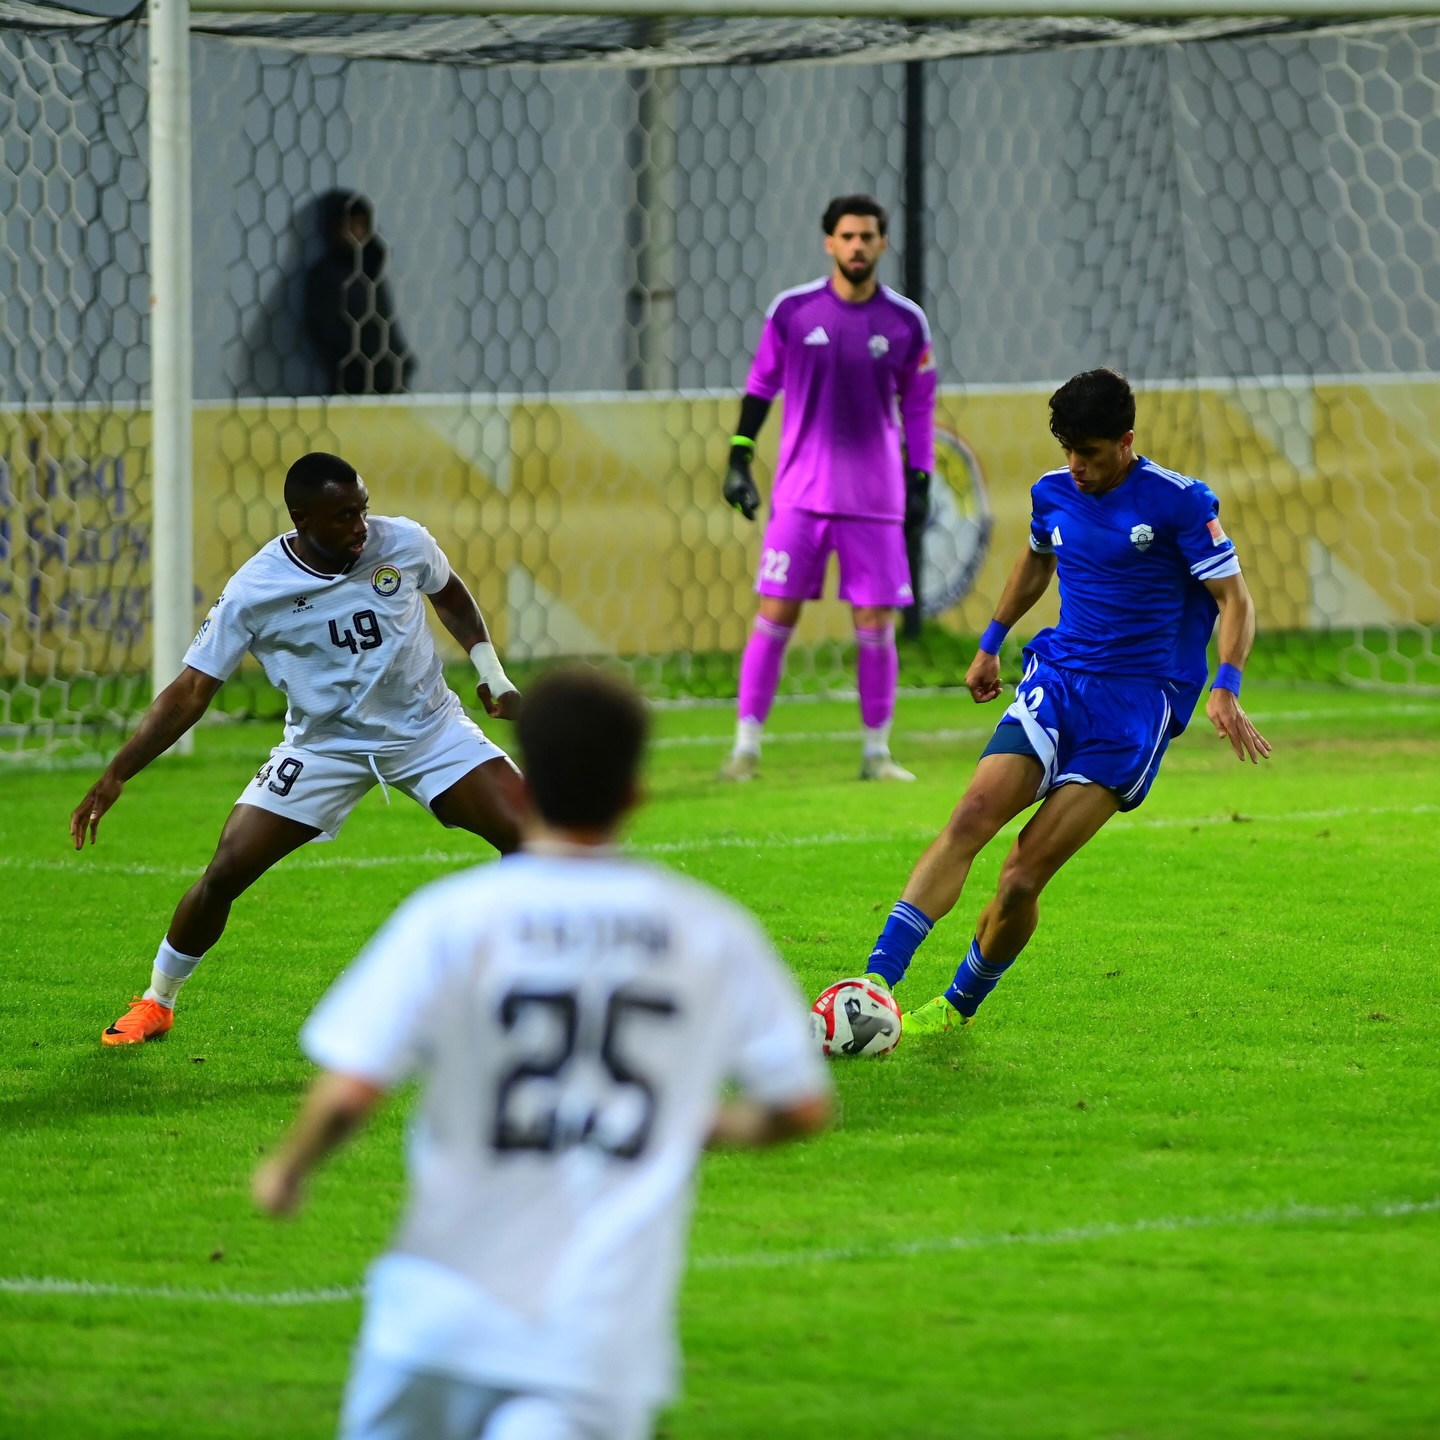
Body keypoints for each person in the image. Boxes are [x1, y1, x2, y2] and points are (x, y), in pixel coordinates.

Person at [253, 666, 832, 1440]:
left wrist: (288, 1169)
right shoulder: (707, 930)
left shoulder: (453, 918)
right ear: (635, 795)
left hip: (435, 1320)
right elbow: (800, 1106)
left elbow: (352, 1090)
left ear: (522, 790)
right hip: (588, 1343)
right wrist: (691, 1122)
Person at [856, 369, 1272, 1034]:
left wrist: (1226, 684)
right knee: (971, 816)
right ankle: (874, 982)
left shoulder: (1181, 503)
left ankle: (956, 1006)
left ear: (1126, 442)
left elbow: (1235, 599)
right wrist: (990, 642)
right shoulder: (1051, 493)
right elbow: (1036, 561)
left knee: (1021, 875)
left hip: (1133, 711)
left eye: (1092, 453)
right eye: (1069, 451)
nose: (1077, 466)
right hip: (1057, 683)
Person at [72, 451, 524, 1046]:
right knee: (226, 870)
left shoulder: (404, 542)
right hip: (324, 746)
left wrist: (491, 672)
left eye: (363, 510)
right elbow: (191, 691)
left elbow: (450, 595)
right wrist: (117, 772)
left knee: (531, 834)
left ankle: (502, 980)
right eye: (343, 517)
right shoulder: (255, 590)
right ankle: (157, 1002)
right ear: (301, 519)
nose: (361, 528)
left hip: (428, 730)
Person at [719, 193, 937, 783]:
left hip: (874, 501)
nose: (857, 246)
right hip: (800, 496)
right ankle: (745, 749)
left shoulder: (906, 322)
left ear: (882, 243)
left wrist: (920, 477)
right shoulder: (793, 312)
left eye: (867, 236)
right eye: (847, 236)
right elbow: (760, 386)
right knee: (775, 612)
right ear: (829, 242)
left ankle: (877, 753)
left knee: (875, 623)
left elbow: (919, 407)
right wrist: (739, 458)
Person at [304, 190, 416, 396]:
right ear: (334, 228)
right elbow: (324, 331)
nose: (356, 231)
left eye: (361, 224)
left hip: (389, 381)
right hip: (353, 385)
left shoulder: (370, 269)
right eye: (349, 225)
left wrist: (401, 360)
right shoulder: (327, 275)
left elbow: (386, 324)